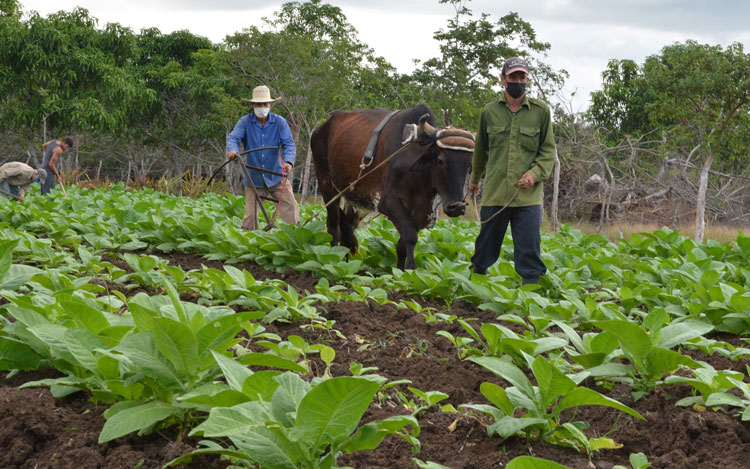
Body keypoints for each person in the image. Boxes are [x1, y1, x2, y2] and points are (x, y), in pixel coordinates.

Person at [469, 57, 556, 285]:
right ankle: (476, 287)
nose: (518, 81)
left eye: (522, 77)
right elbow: (481, 150)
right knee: (485, 246)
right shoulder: (489, 111)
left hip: (527, 197)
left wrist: (533, 175)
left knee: (529, 249)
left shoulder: (541, 111)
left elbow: (547, 152)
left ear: (528, 79)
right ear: (503, 80)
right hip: (495, 193)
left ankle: (531, 296)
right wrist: (475, 179)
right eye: (513, 77)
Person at [226, 85, 299, 231]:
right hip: (254, 178)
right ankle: (247, 241)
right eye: (258, 104)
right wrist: (232, 151)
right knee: (250, 216)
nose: (262, 107)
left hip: (276, 175)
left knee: (291, 206)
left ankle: (295, 237)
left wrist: (289, 162)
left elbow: (288, 144)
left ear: (270, 105)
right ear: (253, 105)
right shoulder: (245, 122)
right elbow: (233, 137)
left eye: (265, 104)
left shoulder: (279, 122)